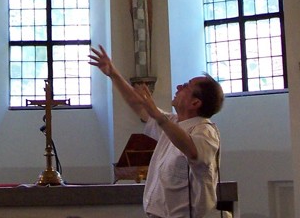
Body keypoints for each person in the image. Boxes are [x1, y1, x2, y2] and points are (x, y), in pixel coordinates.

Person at [89, 45, 225, 218]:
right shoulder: (173, 123)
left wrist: (159, 117)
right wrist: (113, 74)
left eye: (185, 86)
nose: (178, 87)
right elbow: (139, 105)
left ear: (195, 103)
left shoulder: (206, 131)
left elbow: (192, 150)